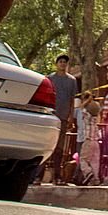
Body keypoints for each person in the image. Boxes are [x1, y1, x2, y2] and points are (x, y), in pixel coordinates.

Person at [43, 53, 79, 185]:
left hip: (63, 118)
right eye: (60, 61)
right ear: (56, 64)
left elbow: (72, 100)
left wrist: (71, 116)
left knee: (60, 148)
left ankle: (57, 176)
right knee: (47, 145)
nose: (63, 64)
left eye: (65, 62)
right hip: (51, 116)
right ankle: (38, 176)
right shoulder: (50, 78)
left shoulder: (72, 81)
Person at [77, 93, 102, 185]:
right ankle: (95, 179)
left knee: (83, 159)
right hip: (96, 141)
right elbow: (98, 109)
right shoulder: (96, 118)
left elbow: (81, 109)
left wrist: (87, 101)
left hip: (88, 140)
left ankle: (88, 172)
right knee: (95, 161)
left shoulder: (87, 116)